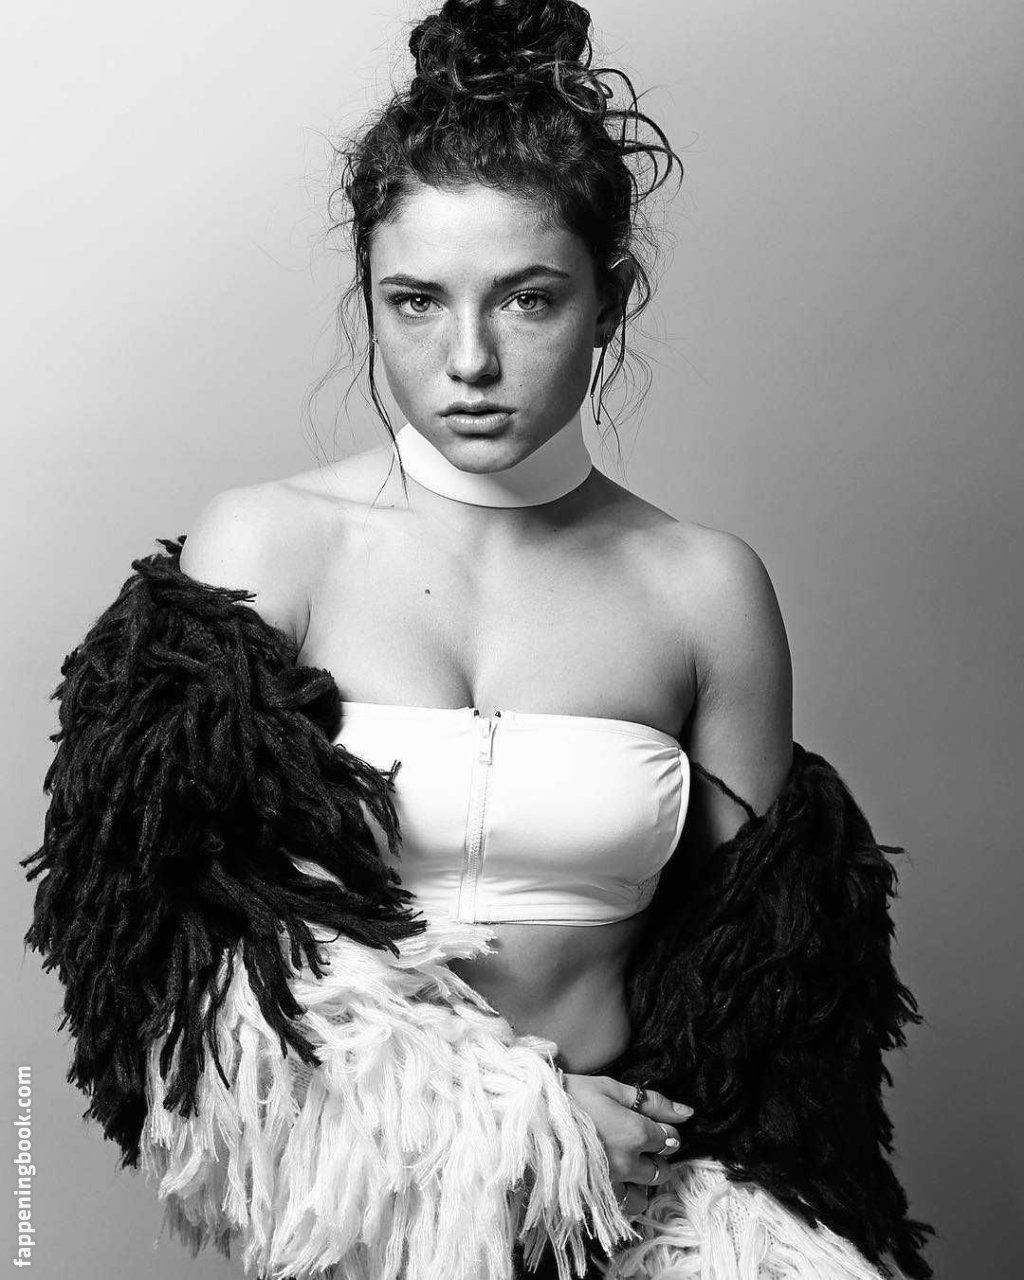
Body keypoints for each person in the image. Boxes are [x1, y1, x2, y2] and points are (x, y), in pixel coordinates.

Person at [22, 2, 933, 1278]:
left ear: (608, 301)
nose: (468, 360)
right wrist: (516, 1132)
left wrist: (645, 1175)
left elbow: (767, 993)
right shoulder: (266, 549)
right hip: (368, 1215)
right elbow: (160, 943)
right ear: (369, 299)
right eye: (414, 301)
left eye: (528, 299)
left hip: (642, 1212)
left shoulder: (705, 590)